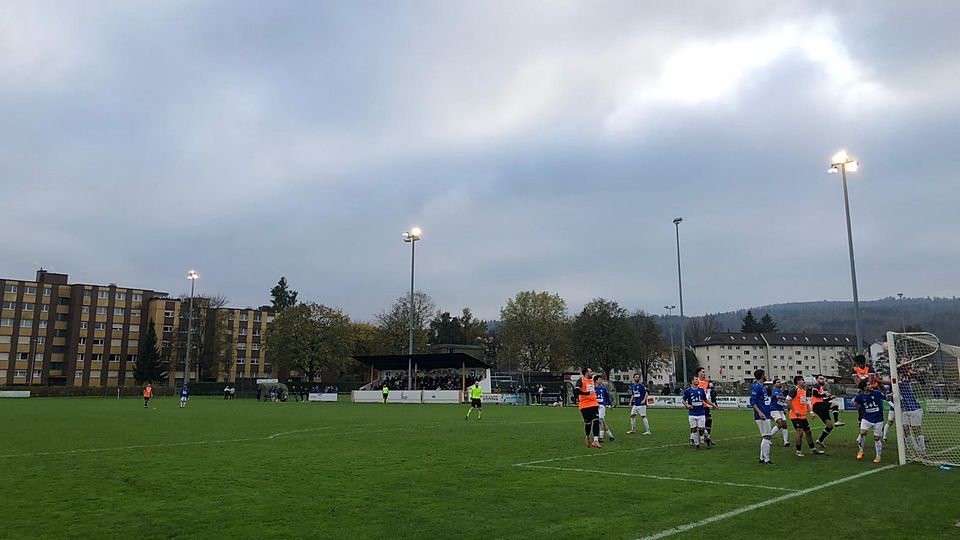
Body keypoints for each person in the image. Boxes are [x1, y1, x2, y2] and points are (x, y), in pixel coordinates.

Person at [787, 375, 823, 457]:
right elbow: (787, 400)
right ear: (798, 381)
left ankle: (813, 449)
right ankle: (798, 450)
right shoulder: (794, 390)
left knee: (808, 432)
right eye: (802, 380)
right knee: (799, 432)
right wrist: (794, 410)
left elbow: (806, 403)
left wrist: (811, 412)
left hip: (803, 416)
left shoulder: (803, 391)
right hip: (795, 416)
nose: (804, 381)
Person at [852, 380, 886, 463]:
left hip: (878, 419)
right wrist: (853, 402)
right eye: (868, 385)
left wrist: (891, 395)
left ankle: (878, 456)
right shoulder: (860, 396)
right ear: (864, 388)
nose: (870, 385)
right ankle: (861, 451)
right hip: (867, 418)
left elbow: (885, 397)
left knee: (877, 438)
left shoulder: (876, 393)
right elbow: (854, 402)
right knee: (862, 432)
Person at [896, 369, 926, 453]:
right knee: (905, 429)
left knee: (916, 430)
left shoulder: (903, 384)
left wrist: (878, 380)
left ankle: (922, 449)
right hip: (905, 411)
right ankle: (915, 449)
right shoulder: (895, 388)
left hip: (914, 409)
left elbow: (910, 377)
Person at [683, 377, 716, 449]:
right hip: (692, 413)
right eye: (696, 379)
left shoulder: (701, 390)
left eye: (697, 379)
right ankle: (697, 445)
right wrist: (687, 405)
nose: (697, 380)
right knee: (694, 429)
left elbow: (705, 400)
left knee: (702, 429)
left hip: (701, 413)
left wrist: (713, 405)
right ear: (692, 381)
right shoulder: (687, 391)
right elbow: (683, 400)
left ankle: (708, 439)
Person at [750, 369, 774, 464]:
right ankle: (767, 459)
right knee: (767, 436)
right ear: (762, 375)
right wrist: (760, 413)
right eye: (764, 374)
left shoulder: (762, 386)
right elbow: (752, 401)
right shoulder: (756, 387)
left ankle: (762, 458)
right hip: (762, 415)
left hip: (766, 413)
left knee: (766, 437)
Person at [573, 367, 602, 448]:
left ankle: (595, 441)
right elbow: (576, 391)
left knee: (596, 420)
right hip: (584, 405)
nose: (592, 373)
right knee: (588, 423)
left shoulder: (592, 380)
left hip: (593, 403)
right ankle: (587, 437)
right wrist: (586, 393)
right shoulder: (581, 380)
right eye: (590, 371)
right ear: (586, 373)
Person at [810, 374, 837, 450]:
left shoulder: (820, 388)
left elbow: (821, 399)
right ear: (817, 379)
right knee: (835, 405)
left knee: (829, 426)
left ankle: (820, 440)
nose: (822, 380)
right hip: (817, 405)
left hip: (820, 405)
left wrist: (829, 398)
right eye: (821, 378)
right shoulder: (816, 385)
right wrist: (824, 393)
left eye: (823, 379)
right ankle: (837, 421)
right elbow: (815, 394)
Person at [695, 368, 717, 446]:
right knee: (699, 423)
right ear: (698, 373)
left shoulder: (706, 383)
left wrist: (711, 402)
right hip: (697, 405)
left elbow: (708, 393)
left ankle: (707, 437)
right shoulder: (695, 382)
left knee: (709, 420)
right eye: (703, 372)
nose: (704, 374)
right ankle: (701, 438)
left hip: (705, 404)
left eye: (704, 372)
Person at [769, 379, 791, 447]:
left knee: (785, 425)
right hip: (774, 410)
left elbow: (780, 402)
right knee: (780, 423)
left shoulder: (780, 391)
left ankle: (785, 441)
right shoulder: (775, 390)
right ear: (774, 384)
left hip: (780, 410)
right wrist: (786, 398)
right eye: (778, 382)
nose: (780, 383)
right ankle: (768, 438)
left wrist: (783, 409)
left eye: (780, 382)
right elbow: (777, 397)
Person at [595, 375, 614, 442]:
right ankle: (610, 435)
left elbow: (607, 397)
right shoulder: (593, 389)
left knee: (600, 421)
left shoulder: (603, 389)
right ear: (596, 381)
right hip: (594, 407)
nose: (601, 380)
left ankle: (601, 437)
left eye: (601, 379)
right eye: (599, 379)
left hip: (602, 406)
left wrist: (610, 404)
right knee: (602, 421)